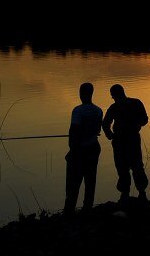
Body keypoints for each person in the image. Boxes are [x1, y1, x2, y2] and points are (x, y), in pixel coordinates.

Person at [102, 83, 149, 204]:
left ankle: (125, 195)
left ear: (114, 95)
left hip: (120, 141)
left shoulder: (114, 107)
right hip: (131, 139)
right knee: (137, 166)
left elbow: (105, 124)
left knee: (123, 168)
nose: (113, 98)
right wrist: (136, 125)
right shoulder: (136, 103)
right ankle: (141, 193)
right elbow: (144, 120)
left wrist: (110, 135)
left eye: (113, 96)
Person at [64, 82, 103, 216]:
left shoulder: (78, 111)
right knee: (90, 180)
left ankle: (69, 212)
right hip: (94, 147)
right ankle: (87, 209)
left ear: (81, 94)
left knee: (73, 183)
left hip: (80, 150)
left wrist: (71, 151)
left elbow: (73, 131)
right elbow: (97, 130)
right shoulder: (98, 110)